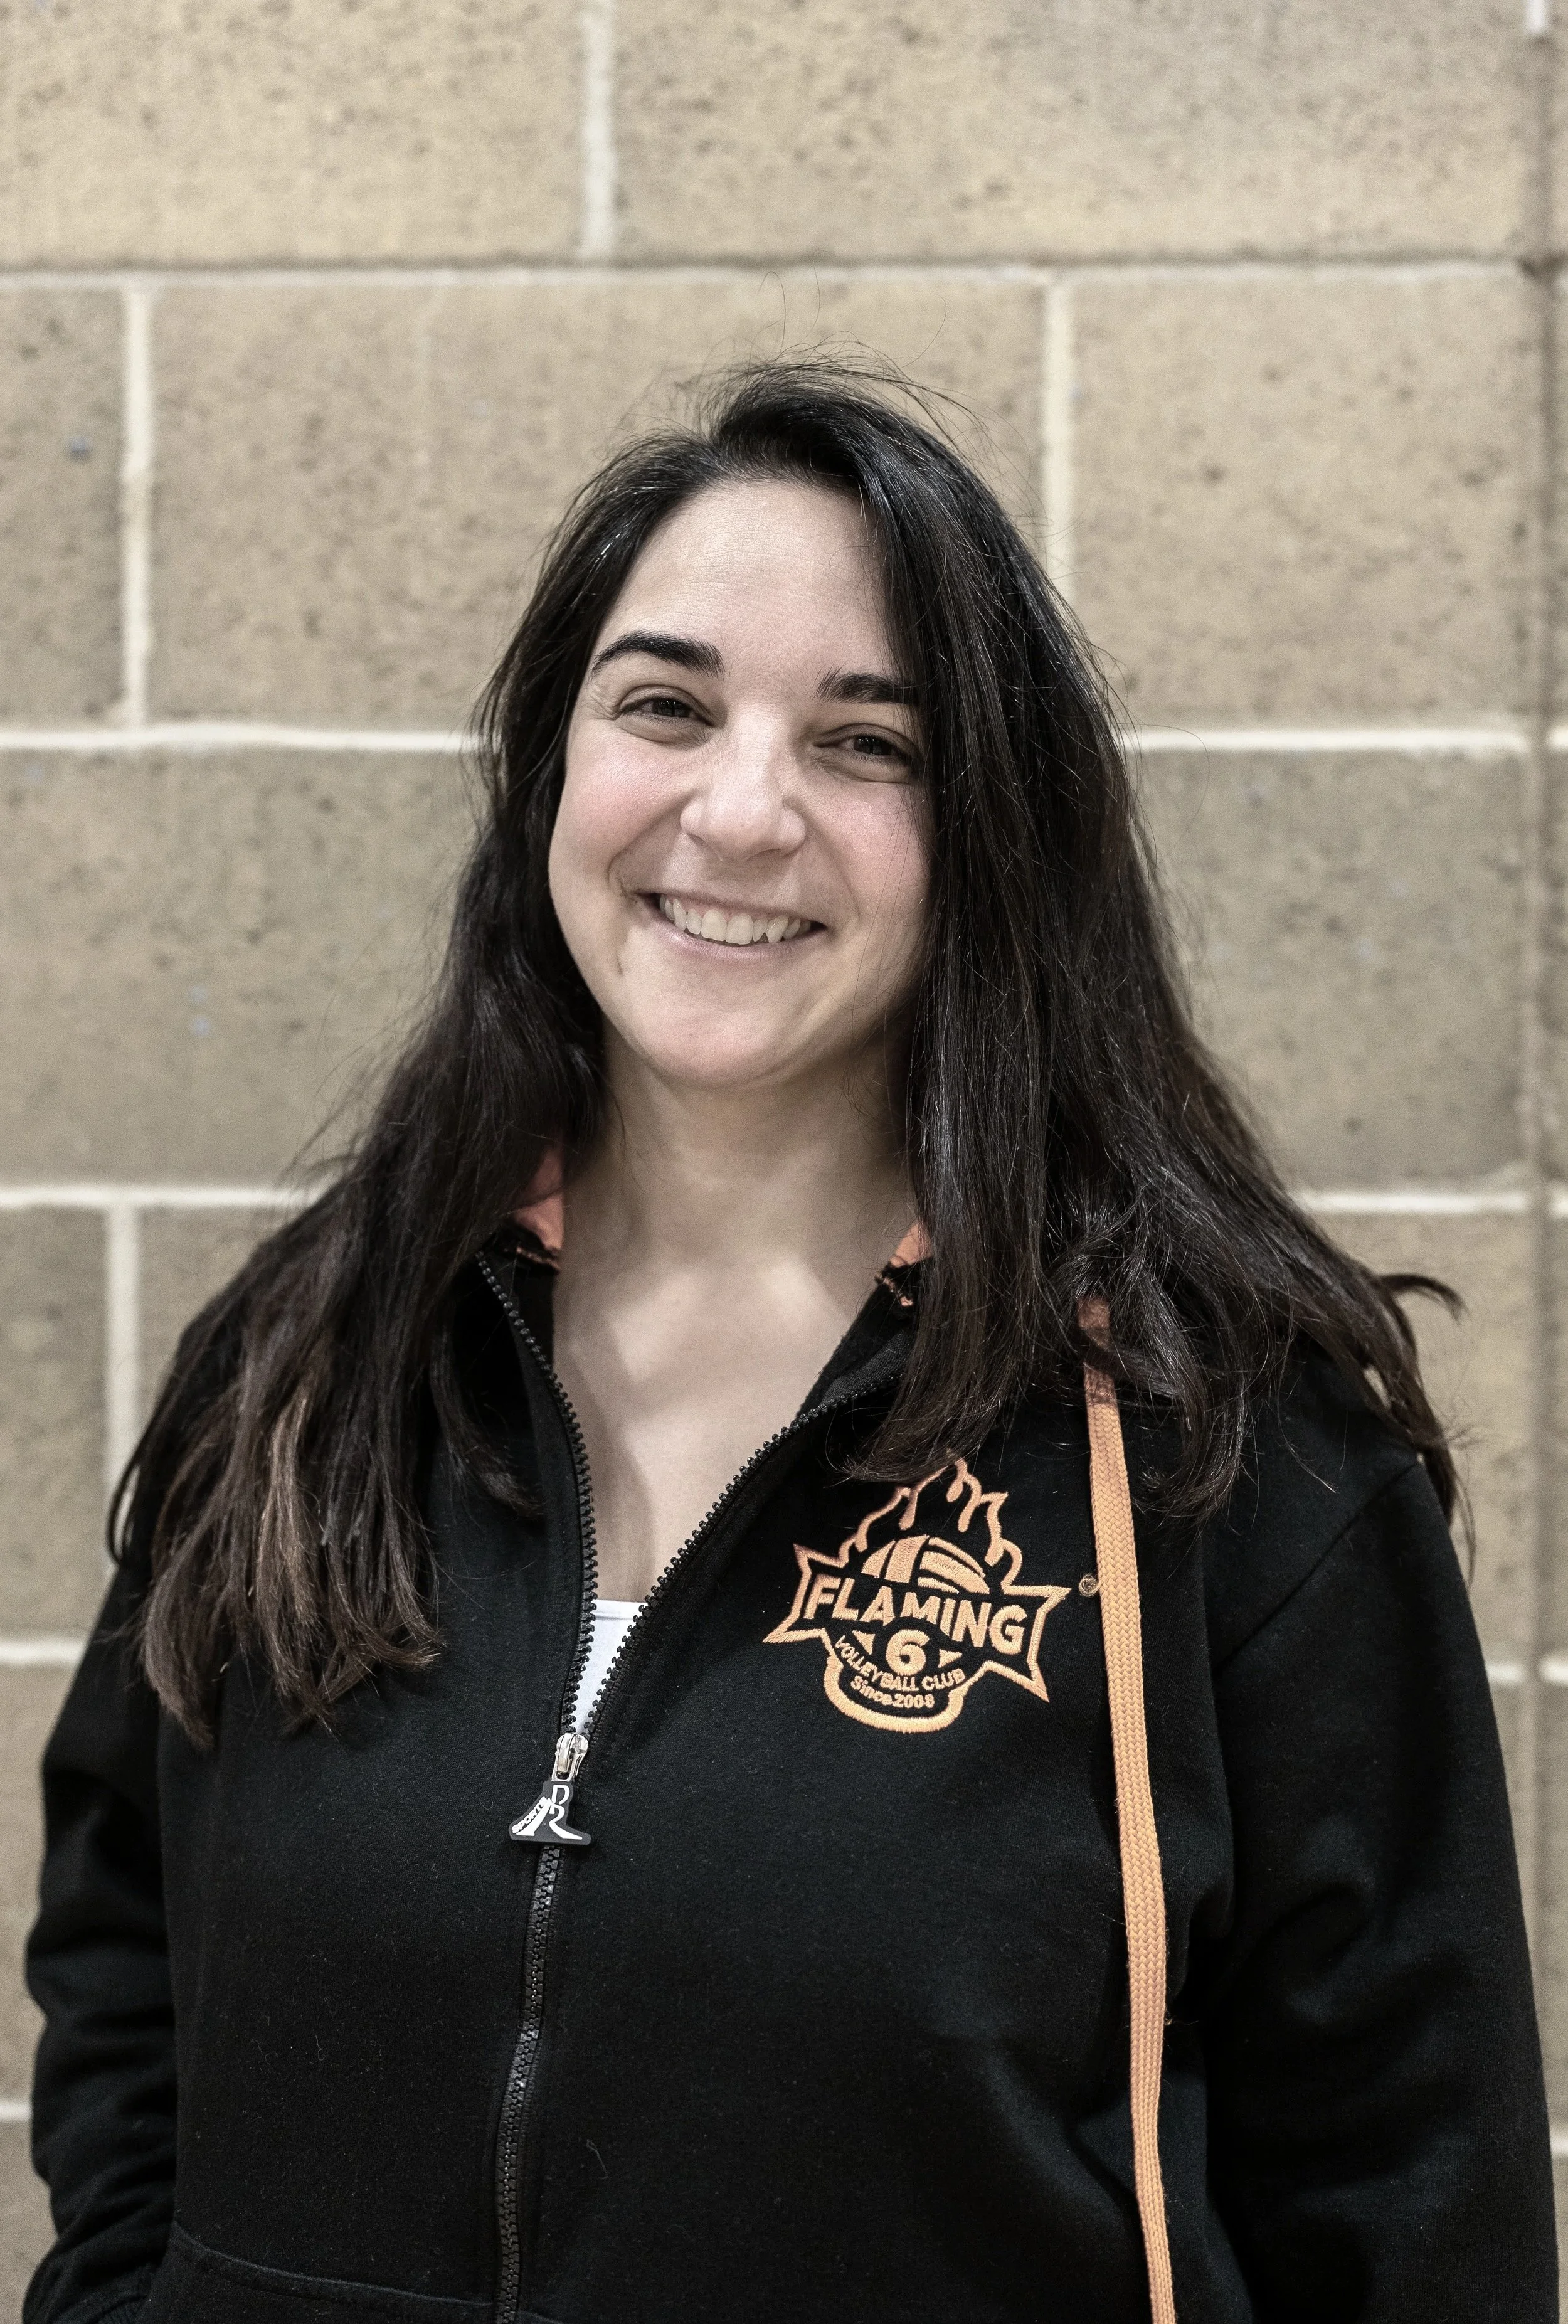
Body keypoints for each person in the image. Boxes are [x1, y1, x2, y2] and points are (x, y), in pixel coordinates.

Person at [24, 362, 1555, 2324]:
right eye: (662, 705)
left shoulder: (1222, 1462)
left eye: (868, 745)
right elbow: (129, 1963)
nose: (739, 811)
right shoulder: (314, 1362)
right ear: (549, 773)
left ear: (990, 832)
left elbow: (1415, 2196)